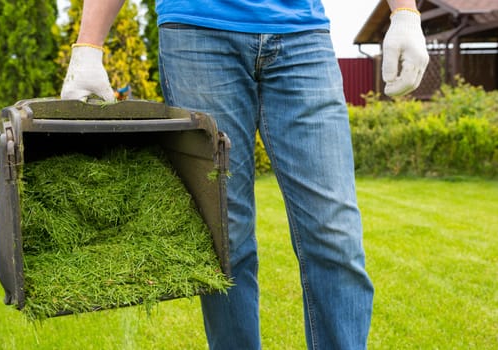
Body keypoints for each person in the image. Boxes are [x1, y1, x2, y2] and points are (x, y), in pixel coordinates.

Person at [61, 1, 429, 349]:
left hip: (301, 32)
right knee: (226, 234)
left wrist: (405, 12)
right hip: (196, 32)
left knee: (334, 231)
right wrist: (89, 45)